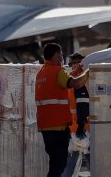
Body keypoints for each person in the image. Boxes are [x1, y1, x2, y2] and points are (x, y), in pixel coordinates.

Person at [35, 42, 86, 177]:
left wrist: (77, 71)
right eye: (60, 55)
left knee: (54, 162)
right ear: (55, 55)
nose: (62, 58)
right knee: (60, 163)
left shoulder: (41, 73)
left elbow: (63, 80)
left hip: (45, 127)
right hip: (58, 128)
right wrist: (87, 73)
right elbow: (76, 83)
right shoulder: (58, 71)